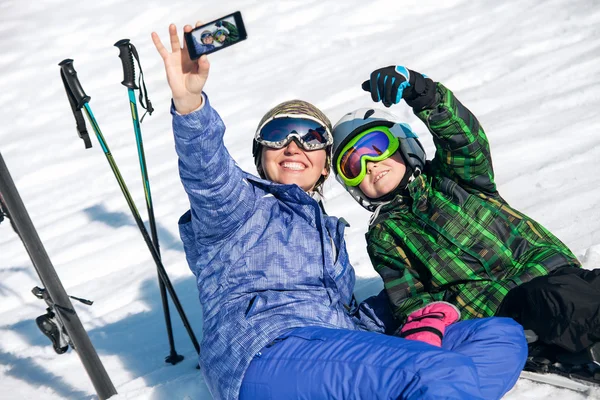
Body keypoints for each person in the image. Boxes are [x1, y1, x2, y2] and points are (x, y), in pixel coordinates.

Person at [152, 25, 528, 400]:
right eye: (279, 133)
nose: (294, 145)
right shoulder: (237, 208)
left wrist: (416, 306)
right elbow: (207, 173)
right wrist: (190, 106)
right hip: (266, 350)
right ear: (260, 156)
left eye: (312, 137)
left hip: (329, 347)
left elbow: (337, 314)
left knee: (498, 334)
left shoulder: (326, 233)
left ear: (325, 166)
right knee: (438, 369)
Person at [331, 65, 600, 367]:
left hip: (553, 269)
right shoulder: (385, 235)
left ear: (404, 144)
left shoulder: (452, 178)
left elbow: (464, 139)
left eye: (377, 146)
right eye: (352, 165)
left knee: (579, 291)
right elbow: (408, 297)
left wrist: (422, 93)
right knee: (555, 301)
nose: (369, 164)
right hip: (500, 305)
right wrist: (425, 325)